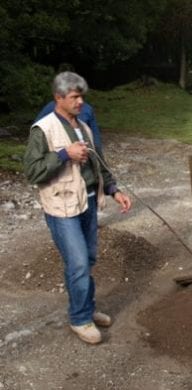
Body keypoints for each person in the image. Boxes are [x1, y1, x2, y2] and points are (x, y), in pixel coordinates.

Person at [24, 72, 132, 344]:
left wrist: (113, 189)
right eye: (74, 97)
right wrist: (63, 154)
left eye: (82, 96)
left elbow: (99, 163)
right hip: (61, 208)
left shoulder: (83, 127)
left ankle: (84, 307)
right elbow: (32, 171)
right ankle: (80, 319)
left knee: (88, 260)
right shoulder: (43, 129)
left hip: (87, 203)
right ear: (58, 98)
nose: (81, 101)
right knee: (79, 263)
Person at [36, 100, 103, 151]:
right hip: (60, 152)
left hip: (82, 152)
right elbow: (38, 128)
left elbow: (95, 135)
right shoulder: (51, 107)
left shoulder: (87, 109)